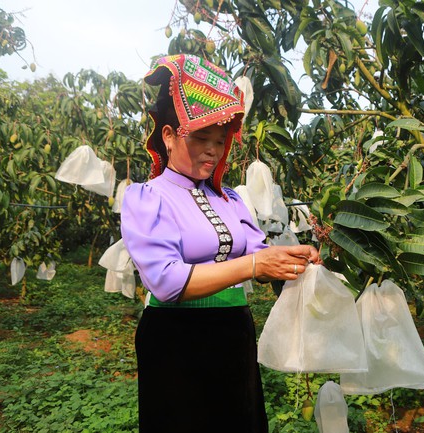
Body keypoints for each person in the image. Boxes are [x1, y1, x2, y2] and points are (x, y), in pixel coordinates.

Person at [120, 54, 320, 433]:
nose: (213, 150)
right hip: (175, 341)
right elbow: (165, 280)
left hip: (233, 334)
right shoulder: (146, 197)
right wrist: (253, 267)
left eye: (219, 140)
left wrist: (292, 257)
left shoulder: (230, 198)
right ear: (168, 135)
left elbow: (259, 254)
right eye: (201, 138)